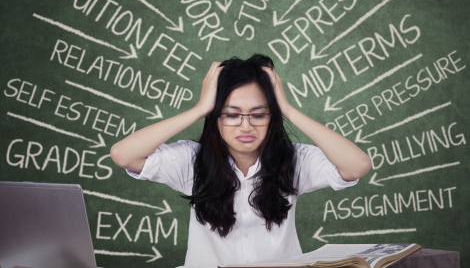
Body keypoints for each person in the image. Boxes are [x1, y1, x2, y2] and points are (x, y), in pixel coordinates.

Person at [110, 54, 371, 267]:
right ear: (216, 117)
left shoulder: (292, 159)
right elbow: (123, 154)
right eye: (232, 115)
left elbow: (357, 165)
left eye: (258, 115)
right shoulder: (191, 160)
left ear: (272, 117)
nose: (246, 126)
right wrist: (200, 108)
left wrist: (289, 110)